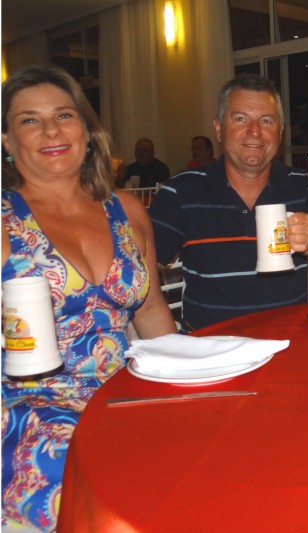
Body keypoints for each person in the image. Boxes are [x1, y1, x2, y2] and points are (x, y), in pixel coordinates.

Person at [1, 65, 176, 530]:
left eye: (64, 115)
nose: (52, 130)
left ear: (86, 130)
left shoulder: (127, 210)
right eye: (30, 120)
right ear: (6, 140)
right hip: (33, 404)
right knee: (99, 488)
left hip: (124, 391)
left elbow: (151, 310)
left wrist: (183, 380)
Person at [149, 73, 308, 331]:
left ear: (280, 131)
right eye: (240, 118)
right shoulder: (182, 191)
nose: (254, 131)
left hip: (287, 343)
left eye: (266, 121)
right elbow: (137, 275)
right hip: (211, 347)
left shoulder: (303, 186)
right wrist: (168, 340)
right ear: (218, 128)